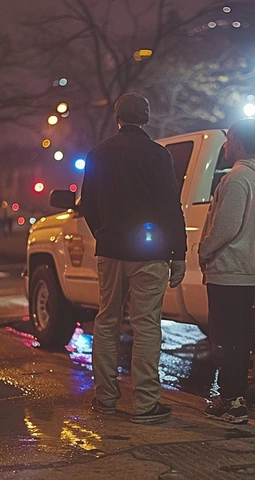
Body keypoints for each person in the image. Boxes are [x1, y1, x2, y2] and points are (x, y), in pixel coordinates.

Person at [80, 92, 187, 424]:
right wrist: (178, 252)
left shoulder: (98, 153)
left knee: (107, 321)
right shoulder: (158, 155)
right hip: (149, 254)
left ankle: (105, 398)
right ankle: (145, 403)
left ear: (118, 117)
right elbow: (171, 206)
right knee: (146, 325)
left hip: (110, 250)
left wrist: (103, 233)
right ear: (147, 118)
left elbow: (87, 204)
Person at [199, 118, 255, 424]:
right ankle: (230, 396)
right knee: (238, 336)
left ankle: (232, 402)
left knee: (225, 339)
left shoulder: (237, 178)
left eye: (228, 140)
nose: (225, 146)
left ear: (239, 143)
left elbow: (225, 228)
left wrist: (204, 249)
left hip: (227, 269)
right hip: (246, 268)